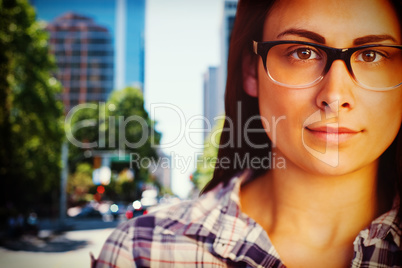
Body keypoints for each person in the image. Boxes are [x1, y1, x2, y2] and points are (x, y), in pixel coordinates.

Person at [94, 0, 402, 267]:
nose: (334, 96)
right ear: (251, 72)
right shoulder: (143, 253)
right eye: (303, 52)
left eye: (371, 55)